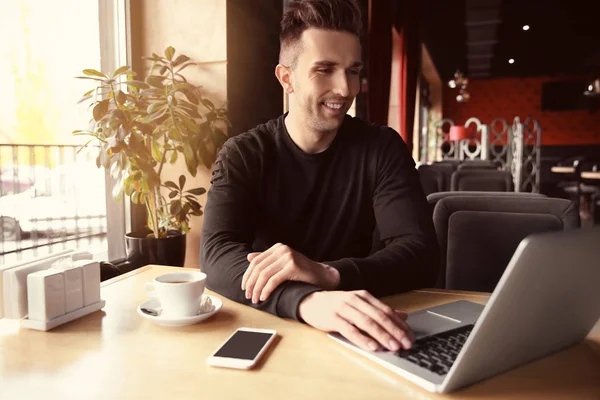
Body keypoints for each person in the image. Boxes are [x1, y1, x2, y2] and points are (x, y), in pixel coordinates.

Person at [200, 0, 439, 353]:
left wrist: (329, 274)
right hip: (268, 327)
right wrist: (308, 301)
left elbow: (419, 254)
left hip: (358, 328)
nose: (345, 89)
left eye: (353, 70)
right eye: (325, 69)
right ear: (287, 78)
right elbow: (217, 256)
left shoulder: (382, 147)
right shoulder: (244, 153)